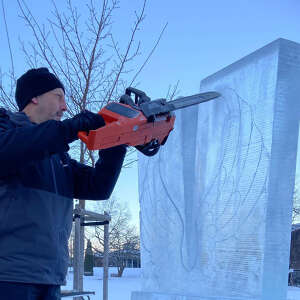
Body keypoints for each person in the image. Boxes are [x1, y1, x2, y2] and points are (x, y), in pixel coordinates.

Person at [0, 68, 127, 300]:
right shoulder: (6, 128)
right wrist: (70, 128)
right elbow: (10, 151)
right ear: (34, 97)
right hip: (8, 278)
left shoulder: (59, 158)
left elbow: (99, 186)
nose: (65, 106)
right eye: (58, 96)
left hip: (50, 279)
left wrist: (118, 139)